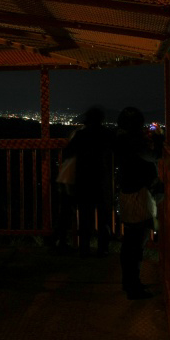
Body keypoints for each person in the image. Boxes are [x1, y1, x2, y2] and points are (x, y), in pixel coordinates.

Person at [112, 107, 165, 300]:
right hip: (138, 194)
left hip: (128, 193)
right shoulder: (131, 141)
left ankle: (130, 283)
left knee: (130, 242)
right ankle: (133, 286)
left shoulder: (121, 138)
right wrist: (158, 138)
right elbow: (154, 156)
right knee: (136, 243)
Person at [54, 107, 116, 256]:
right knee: (104, 217)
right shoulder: (107, 134)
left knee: (85, 217)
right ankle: (103, 249)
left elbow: (69, 152)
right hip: (102, 180)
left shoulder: (81, 135)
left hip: (84, 180)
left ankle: (84, 248)